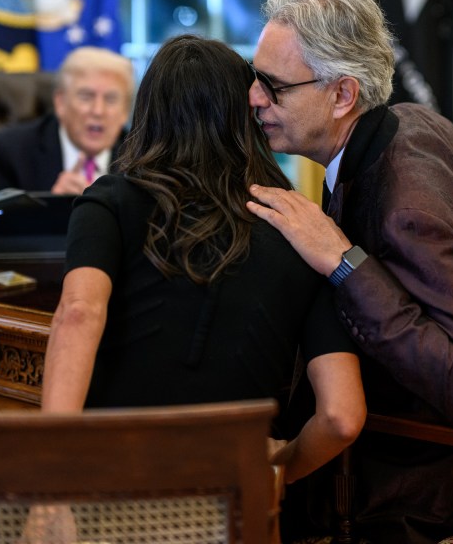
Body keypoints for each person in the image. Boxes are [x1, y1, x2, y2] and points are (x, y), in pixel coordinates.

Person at [245, 0, 453, 544]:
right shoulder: (421, 122)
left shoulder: (404, 208)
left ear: (342, 95)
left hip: (429, 484)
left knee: (240, 501)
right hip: (450, 458)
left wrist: (342, 262)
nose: (253, 98)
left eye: (274, 86)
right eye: (255, 77)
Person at [39, 34, 365, 483]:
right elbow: (342, 416)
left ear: (148, 111)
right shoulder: (299, 228)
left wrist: (51, 475)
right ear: (247, 114)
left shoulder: (109, 201)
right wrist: (275, 475)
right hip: (233, 496)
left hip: (114, 486)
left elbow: (78, 313)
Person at [0, 46, 133, 199]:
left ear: (125, 111)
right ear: (60, 103)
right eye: (86, 97)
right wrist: (51, 209)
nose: (98, 111)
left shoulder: (140, 160)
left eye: (111, 99)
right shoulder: (7, 152)